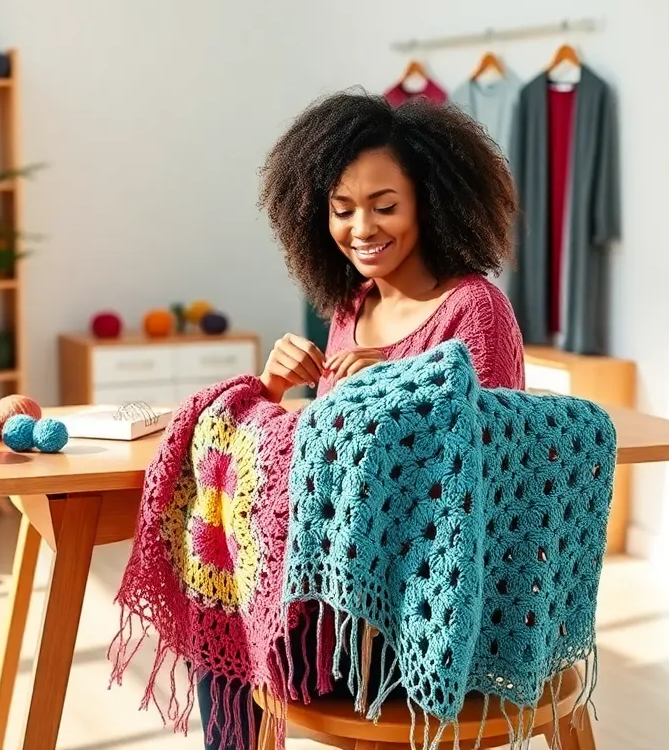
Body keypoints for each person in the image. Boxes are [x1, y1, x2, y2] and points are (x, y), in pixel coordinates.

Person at [194, 88, 527, 749]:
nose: (362, 230)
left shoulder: (475, 310)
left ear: (430, 202)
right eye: (342, 210)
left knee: (235, 611)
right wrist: (272, 388)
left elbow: (480, 472)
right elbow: (325, 456)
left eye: (385, 206)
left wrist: (393, 387)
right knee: (221, 588)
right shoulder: (349, 306)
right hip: (343, 573)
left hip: (422, 596)